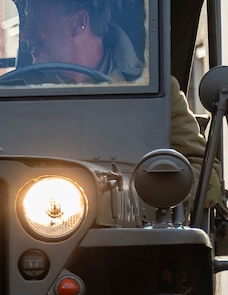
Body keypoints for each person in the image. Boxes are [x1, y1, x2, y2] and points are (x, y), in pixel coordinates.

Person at [16, 0, 221, 206]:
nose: (24, 34)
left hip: (135, 233)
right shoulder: (14, 92)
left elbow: (204, 172)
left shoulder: (155, 87)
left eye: (35, 19)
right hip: (30, 229)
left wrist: (149, 198)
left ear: (78, 22)